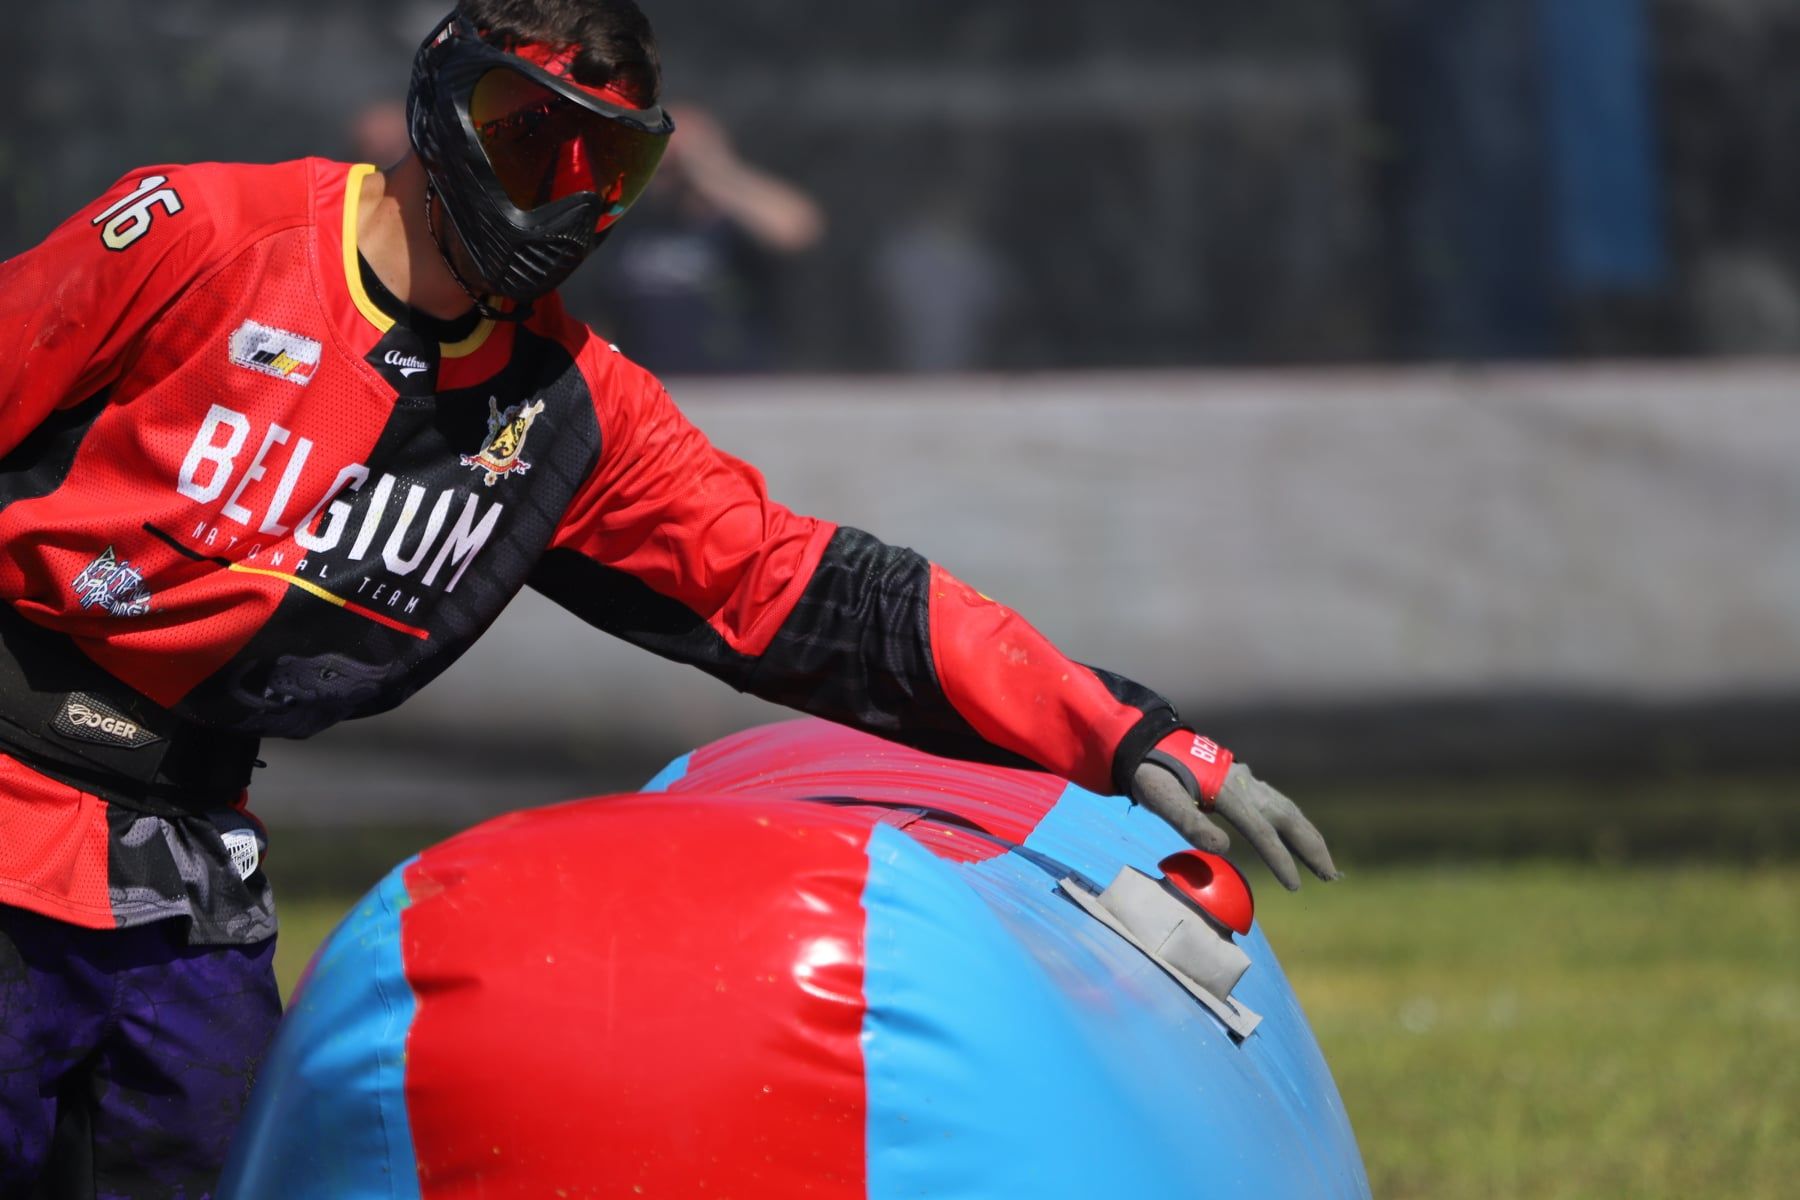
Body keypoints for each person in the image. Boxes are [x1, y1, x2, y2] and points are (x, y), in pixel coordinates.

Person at [0, 1, 1337, 1192]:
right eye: (532, 138)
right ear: (441, 100)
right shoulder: (204, 233)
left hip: (184, 880)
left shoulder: (568, 411)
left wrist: (1119, 730)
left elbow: (810, 591)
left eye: (609, 165)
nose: (563, 197)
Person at [560, 100, 826, 373]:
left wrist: (713, 171)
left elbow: (797, 231)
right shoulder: (627, 227)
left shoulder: (737, 226)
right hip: (653, 384)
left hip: (741, 385)